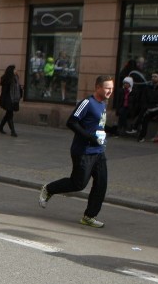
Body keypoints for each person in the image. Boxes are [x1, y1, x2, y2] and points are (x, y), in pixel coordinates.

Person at [39, 75, 114, 228]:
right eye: (107, 88)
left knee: (101, 184)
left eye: (111, 88)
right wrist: (89, 137)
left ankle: (89, 216)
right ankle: (49, 189)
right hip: (83, 151)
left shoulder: (103, 104)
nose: (110, 91)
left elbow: (97, 125)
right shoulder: (87, 103)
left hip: (99, 151)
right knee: (78, 184)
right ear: (98, 87)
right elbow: (71, 122)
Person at [0, 65, 22, 137]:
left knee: (8, 114)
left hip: (14, 99)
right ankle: (13, 131)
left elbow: (18, 88)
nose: (16, 71)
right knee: (10, 115)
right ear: (11, 71)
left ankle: (0, 127)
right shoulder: (7, 79)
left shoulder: (16, 78)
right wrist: (3, 100)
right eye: (15, 69)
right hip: (8, 99)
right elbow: (4, 91)